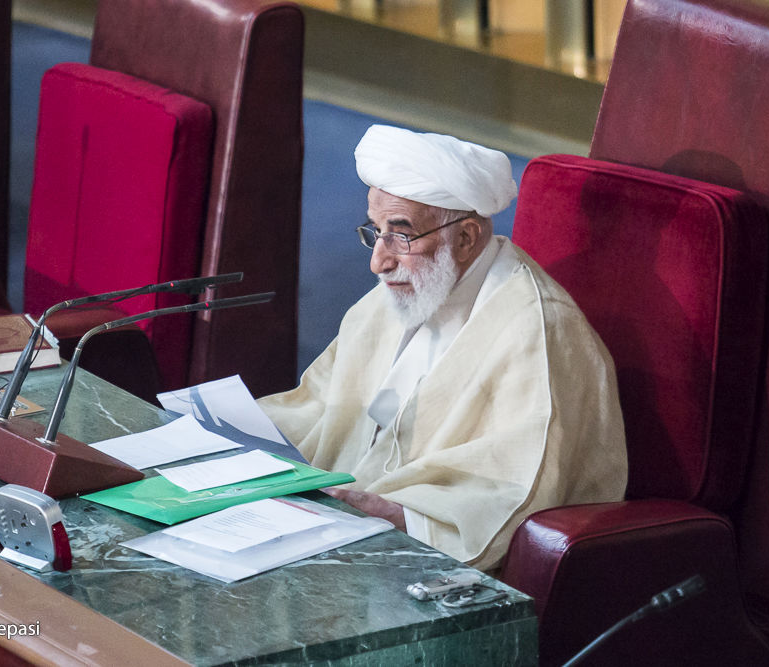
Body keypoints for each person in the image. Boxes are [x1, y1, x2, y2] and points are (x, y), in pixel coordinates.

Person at [258, 124, 628, 571]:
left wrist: (397, 515)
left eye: (402, 234)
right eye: (374, 231)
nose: (379, 260)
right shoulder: (396, 296)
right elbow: (319, 407)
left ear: (467, 237)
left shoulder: (540, 332)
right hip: (332, 527)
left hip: (432, 569)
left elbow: (520, 488)